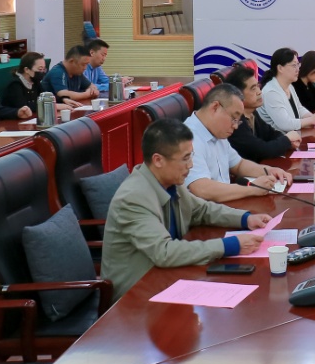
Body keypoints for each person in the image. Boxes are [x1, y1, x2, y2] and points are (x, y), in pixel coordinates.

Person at [101, 119, 271, 300]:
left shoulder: (170, 180)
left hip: (168, 277)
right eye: (185, 158)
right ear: (158, 160)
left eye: (191, 156)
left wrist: (245, 218)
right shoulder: (134, 197)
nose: (190, 165)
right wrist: (229, 245)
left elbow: (201, 210)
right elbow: (164, 252)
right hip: (135, 295)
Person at [181, 83, 292, 203]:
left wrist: (269, 170)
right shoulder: (189, 138)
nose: (235, 126)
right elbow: (202, 189)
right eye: (234, 119)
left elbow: (239, 165)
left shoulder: (218, 132)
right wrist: (252, 189)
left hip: (226, 205)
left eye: (238, 121)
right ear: (215, 107)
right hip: (208, 212)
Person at [222, 64, 300, 162]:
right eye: (253, 88)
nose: (259, 92)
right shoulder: (236, 123)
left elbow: (271, 134)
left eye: (258, 86)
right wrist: (287, 140)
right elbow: (262, 150)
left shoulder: (252, 113)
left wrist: (289, 142)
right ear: (238, 95)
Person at [259, 48, 315, 132]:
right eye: (294, 65)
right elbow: (285, 124)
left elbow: (299, 108)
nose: (298, 69)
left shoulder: (289, 86)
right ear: (280, 68)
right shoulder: (271, 92)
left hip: (291, 135)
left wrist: (312, 116)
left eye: (298, 65)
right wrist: (311, 120)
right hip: (277, 138)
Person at [1, 51, 72, 114]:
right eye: (40, 69)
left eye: (44, 69)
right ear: (26, 69)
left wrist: (63, 99)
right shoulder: (15, 85)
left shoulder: (35, 82)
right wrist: (53, 106)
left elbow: (45, 96)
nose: (42, 72)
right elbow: (24, 107)